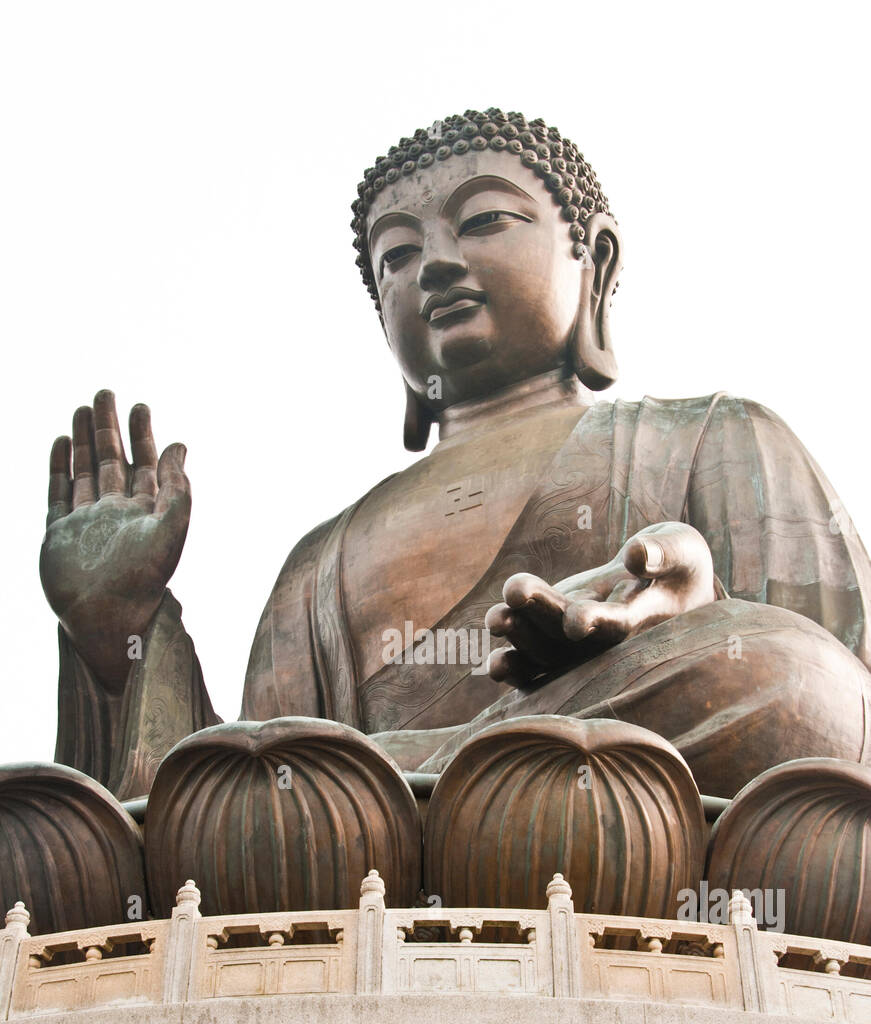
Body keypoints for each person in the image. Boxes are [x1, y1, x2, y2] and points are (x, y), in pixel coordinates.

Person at [38, 108, 871, 801]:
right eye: (395, 255)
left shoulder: (717, 436)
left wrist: (686, 617)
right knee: (225, 794)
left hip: (648, 825)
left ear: (596, 261)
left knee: (787, 677)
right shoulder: (318, 564)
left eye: (483, 221)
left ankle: (422, 776)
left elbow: (845, 706)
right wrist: (118, 631)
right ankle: (432, 779)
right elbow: (228, 777)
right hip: (368, 856)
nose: (434, 264)